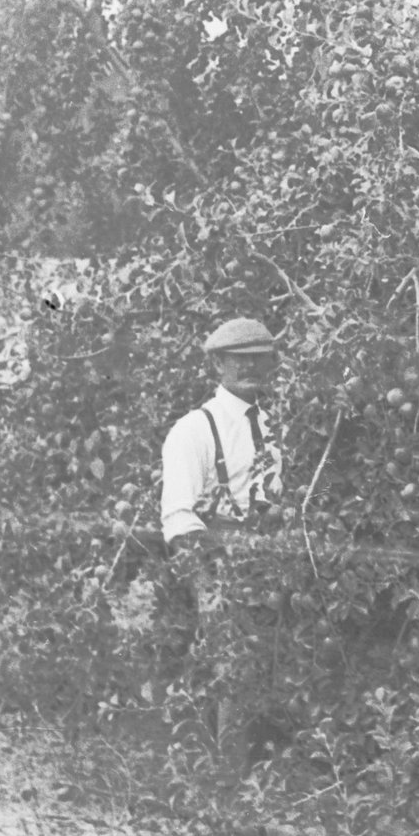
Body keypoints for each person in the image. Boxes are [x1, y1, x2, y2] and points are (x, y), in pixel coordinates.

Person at [158, 317, 286, 773]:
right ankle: (231, 787)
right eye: (240, 358)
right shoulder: (193, 430)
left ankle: (277, 780)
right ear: (217, 363)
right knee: (233, 671)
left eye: (260, 357)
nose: (252, 367)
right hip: (222, 565)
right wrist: (208, 590)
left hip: (275, 562)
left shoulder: (281, 425)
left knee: (280, 666)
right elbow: (178, 516)